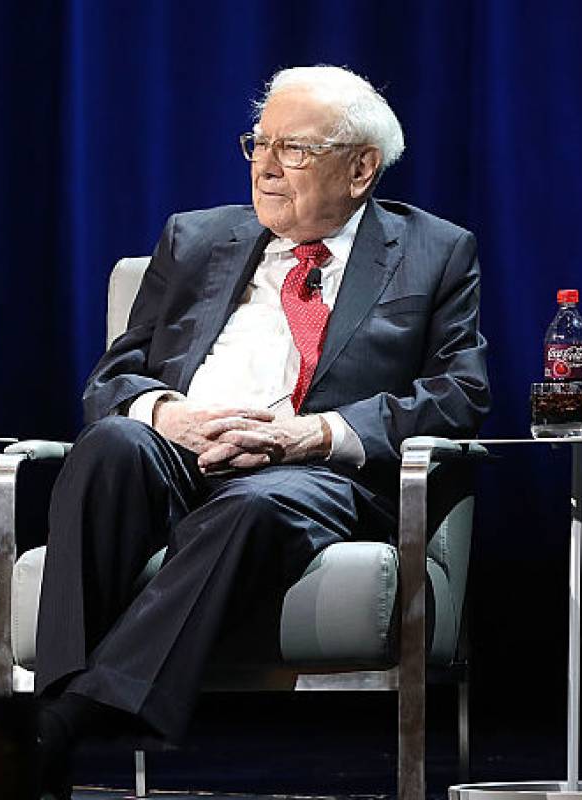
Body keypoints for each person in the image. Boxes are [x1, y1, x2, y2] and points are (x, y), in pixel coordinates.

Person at [33, 65, 489, 796]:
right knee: (111, 443)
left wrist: (307, 435)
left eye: (296, 150)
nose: (267, 167)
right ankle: (60, 715)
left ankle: (61, 720)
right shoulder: (196, 238)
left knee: (253, 503)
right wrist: (170, 416)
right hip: (181, 452)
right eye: (259, 143)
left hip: (315, 473)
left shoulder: (435, 252)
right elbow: (112, 381)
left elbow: (460, 395)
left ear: (362, 167)